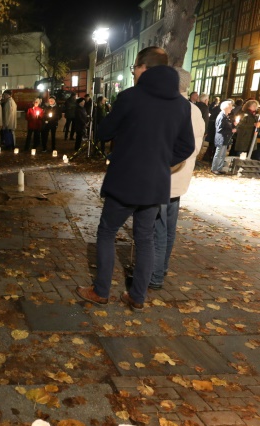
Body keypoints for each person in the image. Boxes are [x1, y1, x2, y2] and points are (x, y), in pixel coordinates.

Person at [76, 46, 194, 312]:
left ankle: (101, 291)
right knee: (145, 239)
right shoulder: (181, 104)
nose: (133, 73)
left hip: (126, 180)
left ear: (144, 68)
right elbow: (186, 147)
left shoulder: (131, 97)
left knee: (106, 232)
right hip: (156, 183)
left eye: (135, 68)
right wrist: (161, 161)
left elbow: (104, 132)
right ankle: (137, 296)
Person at [150, 68, 205, 290]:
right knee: (169, 227)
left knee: (158, 229)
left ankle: (154, 275)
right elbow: (197, 147)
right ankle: (161, 267)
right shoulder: (195, 112)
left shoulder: (171, 109)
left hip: (166, 177)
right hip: (181, 179)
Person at [211, 100, 235, 174]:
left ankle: (219, 168)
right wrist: (231, 131)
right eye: (230, 107)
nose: (231, 109)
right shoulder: (222, 116)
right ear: (226, 108)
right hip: (221, 138)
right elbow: (219, 129)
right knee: (218, 154)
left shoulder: (225, 116)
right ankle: (214, 168)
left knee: (222, 154)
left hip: (225, 138)